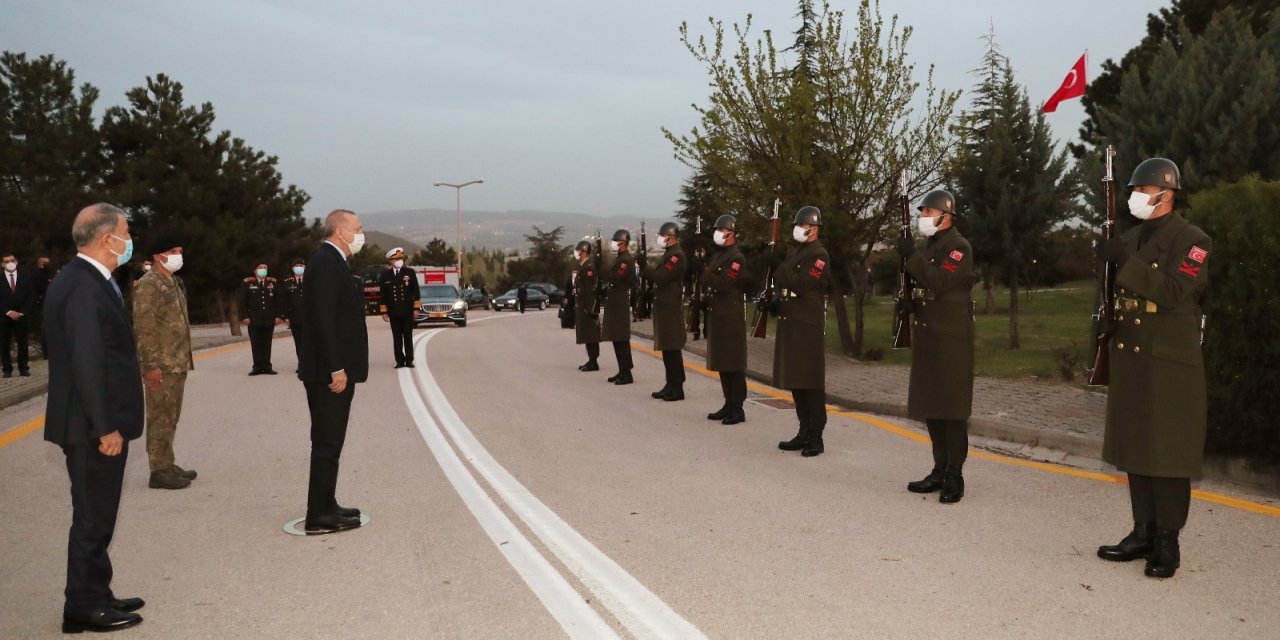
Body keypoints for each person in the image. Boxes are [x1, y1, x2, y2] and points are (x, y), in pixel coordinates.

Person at [1095, 158, 1211, 579]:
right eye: (1133, 190)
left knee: (1168, 451)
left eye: (1142, 191)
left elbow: (1175, 290)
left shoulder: (1193, 240)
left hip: (1168, 360)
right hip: (1131, 354)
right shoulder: (1129, 236)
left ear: (1166, 193)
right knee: (1137, 445)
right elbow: (1114, 291)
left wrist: (1122, 263)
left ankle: (1168, 540)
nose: (1135, 198)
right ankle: (1142, 531)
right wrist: (1104, 319)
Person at [43, 203, 146, 633]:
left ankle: (97, 590)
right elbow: (86, 362)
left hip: (92, 421)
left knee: (99, 513)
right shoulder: (84, 286)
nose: (129, 239)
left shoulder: (87, 279)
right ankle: (82, 605)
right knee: (92, 516)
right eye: (125, 231)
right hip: (91, 426)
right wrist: (105, 427)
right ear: (107, 239)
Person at [899, 189, 977, 503]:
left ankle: (955, 474)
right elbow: (923, 287)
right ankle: (939, 468)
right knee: (933, 404)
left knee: (952, 407)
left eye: (929, 212)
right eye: (921, 213)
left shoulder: (959, 247)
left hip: (951, 337)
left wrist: (911, 257)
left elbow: (940, 283)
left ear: (947, 215)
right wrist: (909, 302)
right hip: (929, 334)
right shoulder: (927, 246)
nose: (923, 218)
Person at [298, 209, 370, 533]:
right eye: (357, 228)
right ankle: (318, 515)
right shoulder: (326, 263)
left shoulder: (334, 261)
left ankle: (327, 503)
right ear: (340, 231)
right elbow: (323, 321)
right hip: (330, 373)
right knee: (327, 442)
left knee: (331, 441)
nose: (361, 233)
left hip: (334, 368)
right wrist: (336, 367)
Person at [132, 233, 197, 490]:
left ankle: (167, 463)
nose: (178, 255)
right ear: (159, 256)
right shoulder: (150, 284)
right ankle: (158, 471)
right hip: (162, 363)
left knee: (171, 415)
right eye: (174, 250)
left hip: (177, 361)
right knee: (160, 415)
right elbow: (145, 327)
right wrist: (151, 366)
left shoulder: (172, 281)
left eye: (180, 250)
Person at [768, 206, 830, 457]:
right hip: (792, 321)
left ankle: (816, 435)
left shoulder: (819, 255)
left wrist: (779, 267)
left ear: (813, 229)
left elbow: (803, 284)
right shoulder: (798, 252)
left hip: (807, 324)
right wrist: (774, 302)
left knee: (811, 381)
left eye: (801, 225)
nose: (797, 229)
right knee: (797, 380)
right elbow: (787, 285)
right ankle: (803, 430)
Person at [701, 215, 749, 424]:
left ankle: (737, 408)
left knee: (733, 363)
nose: (718, 233)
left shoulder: (736, 258)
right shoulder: (719, 256)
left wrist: (704, 273)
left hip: (730, 316)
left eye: (721, 229)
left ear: (731, 232)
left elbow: (724, 284)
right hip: (718, 315)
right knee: (722, 361)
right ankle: (728, 403)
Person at [640, 221, 688, 401]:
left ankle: (678, 387)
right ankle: (670, 383)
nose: (660, 238)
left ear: (670, 237)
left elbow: (662, 278)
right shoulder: (669, 254)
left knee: (673, 348)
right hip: (664, 306)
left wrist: (645, 268)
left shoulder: (676, 256)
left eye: (662, 235)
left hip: (670, 308)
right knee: (667, 348)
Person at [601, 229, 635, 385]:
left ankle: (627, 373)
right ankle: (622, 370)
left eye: (617, 241)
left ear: (624, 243)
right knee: (616, 338)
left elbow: (616, 279)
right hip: (615, 301)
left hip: (620, 302)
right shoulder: (620, 258)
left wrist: (603, 271)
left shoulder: (625, 260)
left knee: (621, 338)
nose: (614, 243)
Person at [379, 247, 420, 368]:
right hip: (393, 312)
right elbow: (383, 295)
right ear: (391, 261)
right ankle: (399, 360)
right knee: (397, 338)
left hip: (407, 311)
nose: (399, 261)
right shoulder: (385, 275)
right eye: (396, 259)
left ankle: (409, 360)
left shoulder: (409, 272)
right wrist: (384, 312)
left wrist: (416, 308)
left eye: (401, 258)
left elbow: (416, 291)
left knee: (407, 336)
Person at [239, 261, 281, 375]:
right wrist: (244, 316)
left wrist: (278, 316)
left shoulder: (272, 282)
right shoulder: (247, 283)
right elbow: (242, 302)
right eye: (260, 267)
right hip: (253, 319)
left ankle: (267, 366)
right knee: (256, 343)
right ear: (255, 270)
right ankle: (257, 367)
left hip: (269, 318)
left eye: (265, 267)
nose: (263, 269)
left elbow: (278, 300)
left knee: (267, 343)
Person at [1, 251, 37, 377]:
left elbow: (31, 296)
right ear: (2, 264)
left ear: (16, 262)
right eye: (6, 261)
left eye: (12, 260)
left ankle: (23, 368)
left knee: (22, 342)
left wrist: (23, 311)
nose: (9, 263)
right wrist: (8, 311)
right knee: (4, 343)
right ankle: (7, 369)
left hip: (22, 315)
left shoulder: (26, 277)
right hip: (4, 316)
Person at [572, 241, 602, 371]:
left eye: (578, 250)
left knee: (591, 335)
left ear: (583, 251)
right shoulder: (583, 266)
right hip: (583, 305)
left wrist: (589, 308)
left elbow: (590, 289)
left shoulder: (589, 267)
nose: (576, 252)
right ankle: (591, 359)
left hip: (587, 307)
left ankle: (593, 361)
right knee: (587, 334)